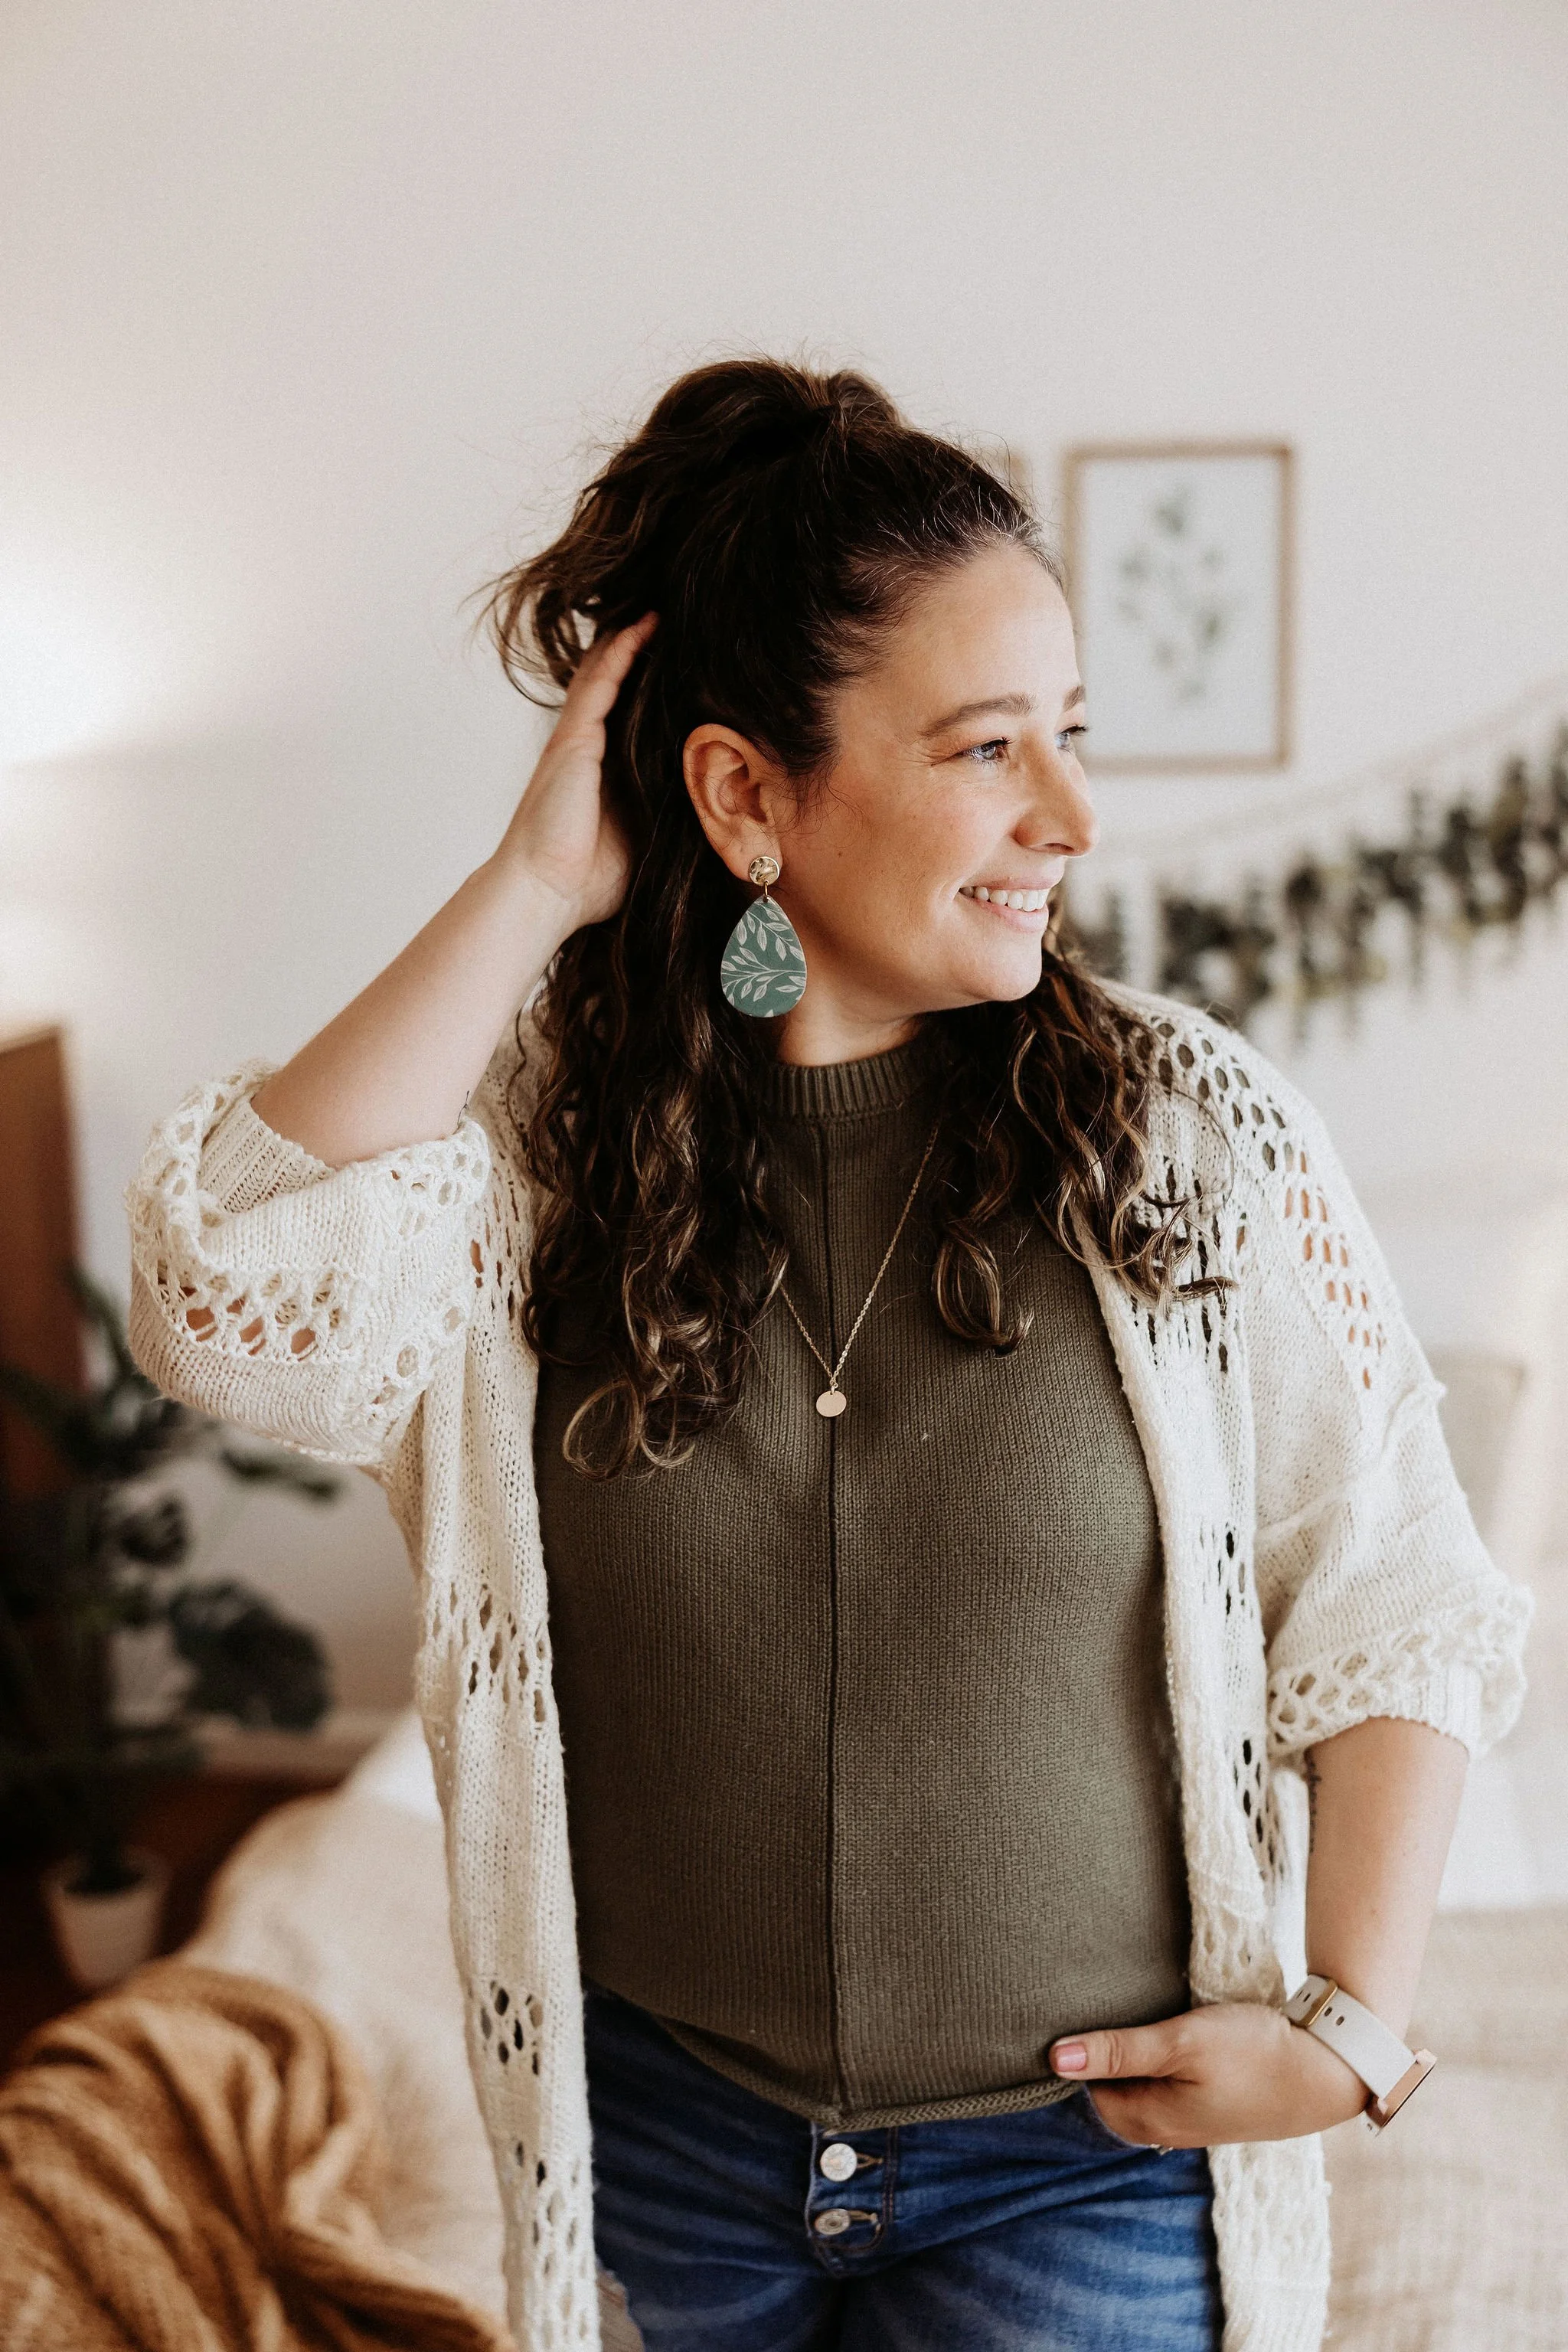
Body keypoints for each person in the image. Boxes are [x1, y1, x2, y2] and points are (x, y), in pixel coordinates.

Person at [126, 359, 1530, 2352]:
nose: (1071, 813)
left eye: (1068, 735)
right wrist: (533, 886)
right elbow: (222, 1305)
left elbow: (1396, 1596)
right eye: (985, 750)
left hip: (1083, 2168)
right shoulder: (529, 1172)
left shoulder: (1186, 1143)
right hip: (670, 2157)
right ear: (744, 793)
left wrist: (1355, 2035)